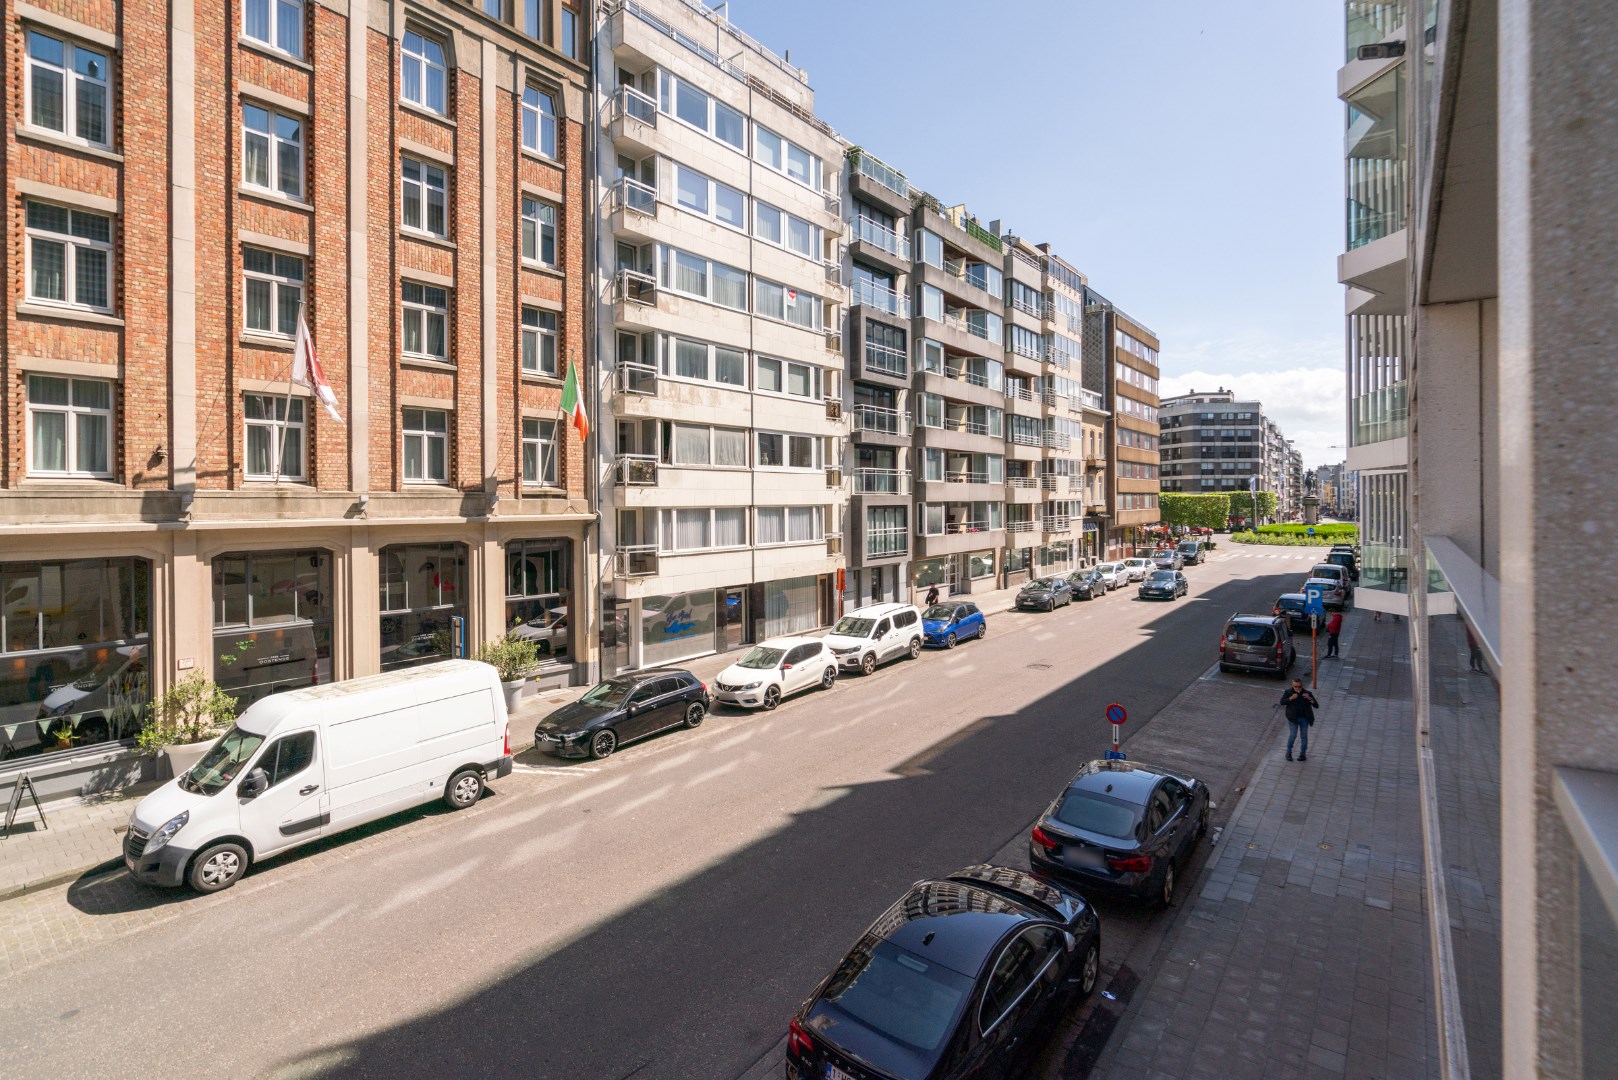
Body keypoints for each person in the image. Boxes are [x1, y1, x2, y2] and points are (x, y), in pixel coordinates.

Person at [1280, 679, 1319, 761]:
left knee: (1304, 736)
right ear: (1292, 686)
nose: (1297, 688)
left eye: (1299, 686)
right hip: (1293, 719)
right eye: (1295, 686)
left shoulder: (1307, 693)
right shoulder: (1288, 692)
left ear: (1302, 686)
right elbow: (1282, 702)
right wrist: (1290, 698)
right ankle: (1288, 753)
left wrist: (1309, 698)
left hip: (1304, 719)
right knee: (1293, 735)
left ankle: (1303, 754)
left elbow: (1316, 705)